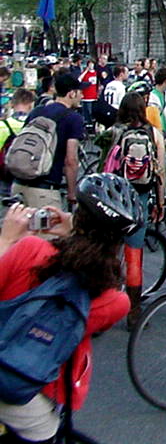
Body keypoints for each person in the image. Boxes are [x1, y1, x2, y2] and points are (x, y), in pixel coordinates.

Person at [0, 174, 143, 443]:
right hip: (34, 392)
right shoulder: (115, 300)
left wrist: (7, 240)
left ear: (78, 214)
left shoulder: (30, 249)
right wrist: (75, 234)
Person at [110, 92, 166, 326]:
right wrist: (161, 202)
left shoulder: (114, 132)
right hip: (139, 198)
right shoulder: (154, 133)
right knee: (134, 255)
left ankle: (103, 304)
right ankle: (133, 311)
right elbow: (160, 171)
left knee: (110, 253)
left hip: (113, 196)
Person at [15, 74, 86, 210]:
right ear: (71, 94)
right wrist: (71, 193)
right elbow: (71, 160)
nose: (82, 96)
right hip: (45, 189)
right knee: (50, 231)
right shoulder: (73, 118)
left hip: (19, 184)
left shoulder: (37, 111)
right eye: (80, 92)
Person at [0, 89, 35, 194]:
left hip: (7, 173)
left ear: (12, 104)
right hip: (30, 174)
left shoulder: (3, 126)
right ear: (31, 104)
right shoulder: (35, 124)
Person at [77, 59, 98, 127]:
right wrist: (86, 71)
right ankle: (87, 124)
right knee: (85, 112)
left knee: (91, 111)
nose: (91, 66)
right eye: (89, 64)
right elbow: (79, 80)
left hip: (93, 96)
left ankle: (91, 124)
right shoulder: (85, 73)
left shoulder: (96, 73)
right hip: (85, 96)